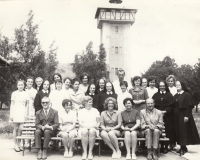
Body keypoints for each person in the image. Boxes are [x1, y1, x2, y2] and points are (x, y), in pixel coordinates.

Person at [173, 81, 200, 155]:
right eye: (176, 85)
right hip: (176, 116)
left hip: (184, 115)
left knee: (183, 131)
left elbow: (190, 106)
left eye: (179, 85)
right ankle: (183, 147)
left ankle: (183, 148)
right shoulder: (175, 95)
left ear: (182, 85)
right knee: (179, 131)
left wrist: (187, 116)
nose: (177, 86)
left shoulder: (187, 95)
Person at [152, 81, 175, 153]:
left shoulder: (169, 95)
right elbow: (153, 105)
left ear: (165, 86)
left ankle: (166, 146)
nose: (162, 87)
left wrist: (165, 111)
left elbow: (171, 106)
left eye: (163, 86)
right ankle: (160, 146)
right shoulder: (155, 95)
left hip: (167, 116)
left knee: (167, 130)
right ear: (158, 87)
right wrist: (158, 112)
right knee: (158, 129)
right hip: (157, 116)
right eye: (160, 86)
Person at [10, 80, 28, 152]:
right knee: (16, 129)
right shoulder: (14, 93)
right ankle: (15, 145)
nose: (21, 86)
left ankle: (19, 143)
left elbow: (27, 105)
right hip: (15, 112)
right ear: (17, 86)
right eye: (19, 85)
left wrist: (26, 113)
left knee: (21, 129)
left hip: (22, 112)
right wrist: (12, 114)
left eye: (22, 85)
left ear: (24, 86)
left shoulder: (26, 93)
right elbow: (12, 104)